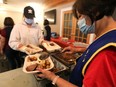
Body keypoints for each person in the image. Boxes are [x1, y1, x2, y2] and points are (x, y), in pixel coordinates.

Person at [36, 0, 116, 87]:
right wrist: (77, 50)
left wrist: (52, 77)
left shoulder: (107, 53)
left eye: (80, 16)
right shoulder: (107, 36)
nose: (79, 22)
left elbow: (100, 55)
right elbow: (95, 51)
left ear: (95, 12)